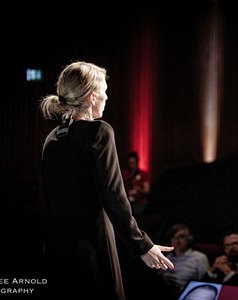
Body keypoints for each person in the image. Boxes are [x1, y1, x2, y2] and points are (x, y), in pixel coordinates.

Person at [39, 61, 174, 299]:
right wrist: (142, 244)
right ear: (92, 96)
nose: (107, 98)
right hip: (92, 247)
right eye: (104, 92)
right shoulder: (99, 132)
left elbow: (47, 201)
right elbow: (114, 195)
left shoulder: (52, 138)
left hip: (56, 250)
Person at [158, 224, 210, 297]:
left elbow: (205, 283)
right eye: (174, 237)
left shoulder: (199, 257)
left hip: (185, 294)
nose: (177, 241)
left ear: (189, 239)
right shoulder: (169, 257)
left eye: (181, 237)